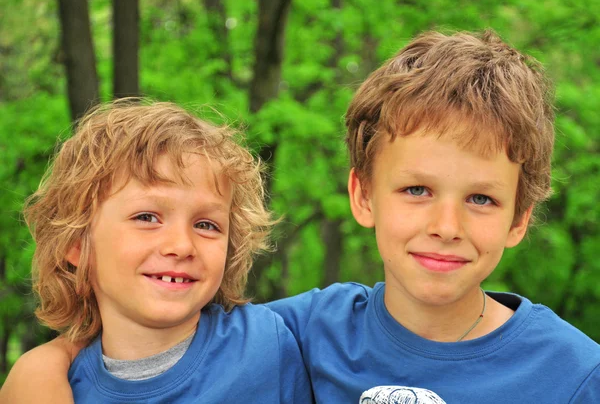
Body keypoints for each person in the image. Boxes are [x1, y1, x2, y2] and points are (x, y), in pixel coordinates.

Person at [3, 29, 600, 403]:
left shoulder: (575, 373)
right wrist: (40, 368)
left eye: (482, 199)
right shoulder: (308, 332)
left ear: (520, 217)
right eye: (417, 189)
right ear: (363, 195)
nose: (446, 224)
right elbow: (138, 340)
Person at [0, 100, 312, 403]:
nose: (181, 246)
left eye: (206, 225)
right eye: (147, 218)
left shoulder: (274, 338)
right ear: (77, 244)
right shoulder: (61, 389)